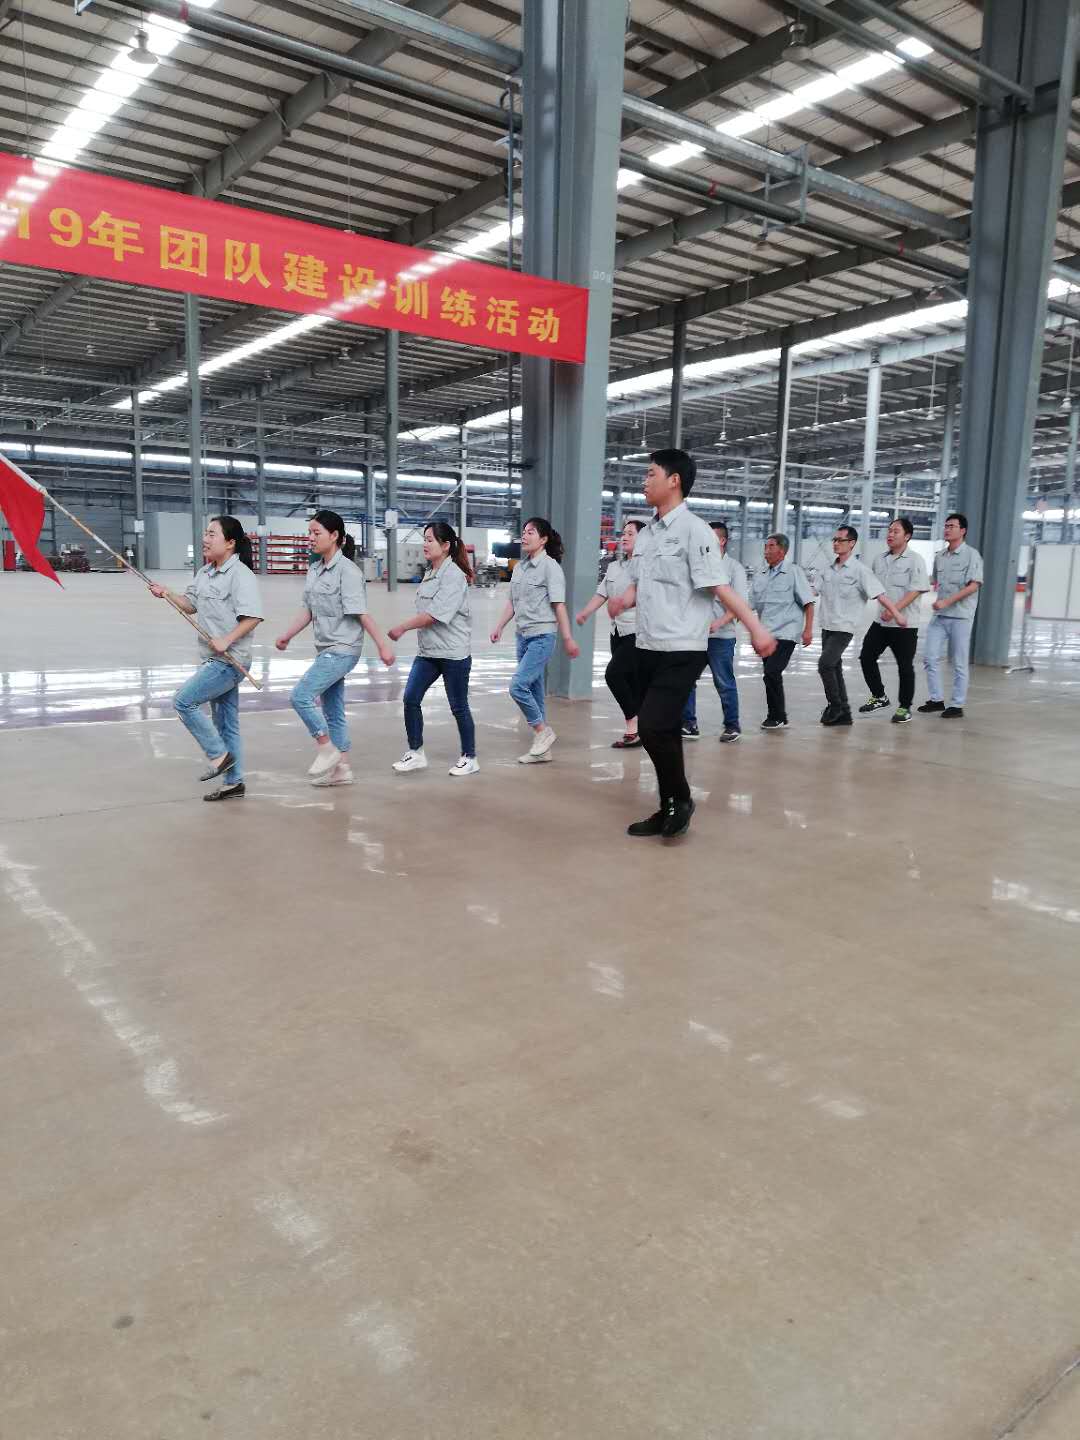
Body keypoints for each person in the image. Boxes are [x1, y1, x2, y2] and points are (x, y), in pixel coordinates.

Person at [608, 449, 776, 839]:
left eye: (651, 474)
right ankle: (670, 805)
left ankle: (680, 799)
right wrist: (623, 599)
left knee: (652, 726)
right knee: (664, 730)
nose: (644, 481)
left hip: (682, 647)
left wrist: (756, 628)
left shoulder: (694, 531)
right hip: (647, 645)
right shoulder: (647, 534)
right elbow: (642, 582)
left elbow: (720, 587)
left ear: (674, 480)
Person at [275, 510, 395, 787]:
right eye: (309, 532)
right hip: (326, 648)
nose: (310, 538)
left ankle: (326, 748)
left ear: (334, 536)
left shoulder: (348, 572)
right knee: (333, 710)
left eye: (316, 533)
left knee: (301, 696)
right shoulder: (314, 569)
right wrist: (287, 636)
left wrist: (383, 645)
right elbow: (308, 610)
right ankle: (342, 769)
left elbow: (361, 613)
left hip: (343, 649)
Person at [149, 515, 263, 802]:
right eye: (206, 534)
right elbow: (190, 605)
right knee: (226, 724)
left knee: (183, 701)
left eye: (212, 534)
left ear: (230, 542)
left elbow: (253, 617)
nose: (205, 539)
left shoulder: (241, 575)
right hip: (214, 658)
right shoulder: (205, 572)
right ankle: (233, 783)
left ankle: (219, 756)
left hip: (230, 660)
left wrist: (227, 639)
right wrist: (166, 593)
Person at [387, 521, 478, 777]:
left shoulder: (454, 576)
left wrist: (402, 627)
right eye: (424, 539)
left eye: (430, 540)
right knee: (410, 698)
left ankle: (470, 757)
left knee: (458, 706)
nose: (425, 544)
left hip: (453, 653)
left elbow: (435, 615)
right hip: (428, 652)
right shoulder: (430, 572)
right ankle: (416, 753)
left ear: (446, 545)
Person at [490, 517, 579, 764]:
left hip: (542, 636)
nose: (525, 536)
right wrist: (499, 626)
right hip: (522, 637)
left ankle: (543, 731)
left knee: (517, 686)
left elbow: (559, 605)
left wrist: (568, 638)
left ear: (543, 539)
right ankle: (543, 750)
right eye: (524, 532)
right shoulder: (520, 567)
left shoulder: (551, 568)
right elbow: (512, 603)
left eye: (531, 532)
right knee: (534, 691)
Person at [816, 524, 907, 727]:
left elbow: (880, 595)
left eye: (840, 540)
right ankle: (845, 714)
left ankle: (836, 706)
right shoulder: (828, 569)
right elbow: (812, 592)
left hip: (844, 628)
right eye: (834, 540)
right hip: (827, 625)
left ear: (852, 543)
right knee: (834, 667)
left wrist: (897, 614)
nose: (836, 543)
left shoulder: (860, 571)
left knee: (825, 664)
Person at [575, 518, 645, 749]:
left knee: (613, 675)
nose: (624, 537)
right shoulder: (615, 567)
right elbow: (602, 594)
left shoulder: (648, 567)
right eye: (623, 533)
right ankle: (636, 731)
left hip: (638, 632)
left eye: (630, 534)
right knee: (630, 681)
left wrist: (624, 604)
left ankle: (635, 723)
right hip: (617, 631)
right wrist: (585, 613)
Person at [679, 520, 747, 743]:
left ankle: (732, 725)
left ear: (722, 540)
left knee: (724, 682)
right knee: (687, 679)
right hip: (696, 637)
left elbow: (740, 604)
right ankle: (689, 724)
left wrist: (719, 622)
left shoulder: (734, 569)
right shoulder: (697, 566)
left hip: (721, 637)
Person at [858, 516, 930, 724]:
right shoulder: (879, 559)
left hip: (905, 624)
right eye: (889, 531)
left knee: (904, 666)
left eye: (896, 531)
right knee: (866, 657)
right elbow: (872, 587)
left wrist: (894, 611)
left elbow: (917, 589)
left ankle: (904, 707)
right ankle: (879, 696)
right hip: (881, 622)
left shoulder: (915, 560)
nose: (890, 534)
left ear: (907, 536)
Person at [918, 512, 984, 719]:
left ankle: (957, 705)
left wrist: (947, 601)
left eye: (952, 526)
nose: (947, 529)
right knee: (930, 657)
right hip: (940, 616)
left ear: (962, 531)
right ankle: (936, 699)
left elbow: (974, 586)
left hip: (961, 616)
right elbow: (935, 582)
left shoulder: (971, 555)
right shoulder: (940, 556)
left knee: (959, 662)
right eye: (946, 526)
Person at [749, 533, 815, 730]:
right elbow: (750, 602)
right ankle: (778, 716)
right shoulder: (761, 574)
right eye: (765, 546)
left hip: (787, 632)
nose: (766, 550)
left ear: (782, 550)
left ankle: (776, 716)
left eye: (771, 546)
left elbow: (808, 602)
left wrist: (808, 630)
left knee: (772, 671)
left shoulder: (794, 572)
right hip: (766, 634)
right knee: (769, 674)